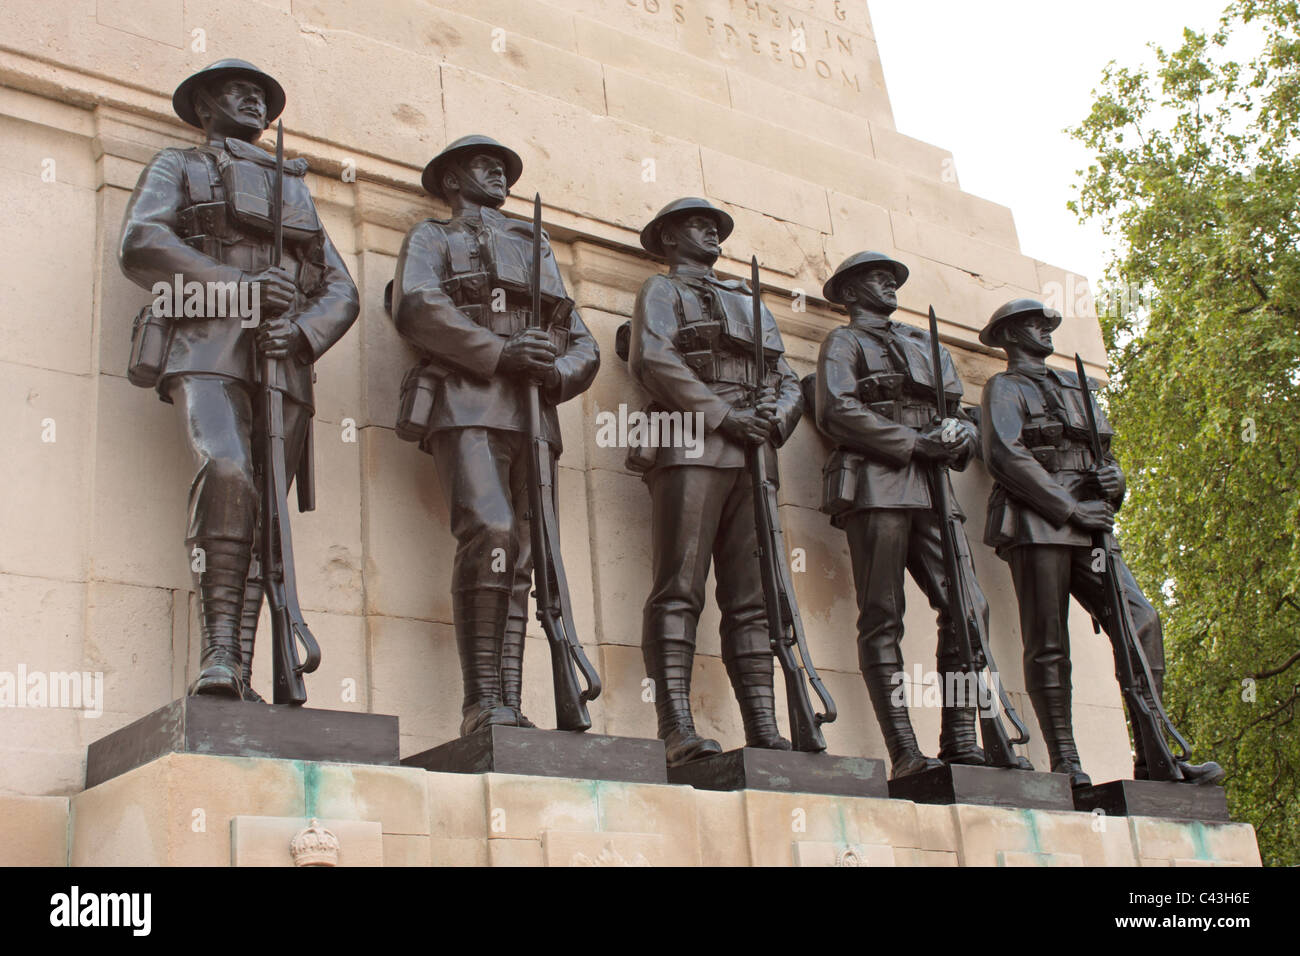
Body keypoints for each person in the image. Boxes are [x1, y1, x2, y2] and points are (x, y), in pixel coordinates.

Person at [118, 59, 359, 700]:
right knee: (226, 473)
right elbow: (141, 242)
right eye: (237, 91)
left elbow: (341, 287)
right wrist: (243, 290)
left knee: (266, 515)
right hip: (206, 344)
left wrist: (305, 332)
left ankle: (240, 671)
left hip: (283, 364)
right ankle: (219, 651)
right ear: (203, 107)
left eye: (262, 95)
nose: (253, 100)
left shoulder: (294, 188)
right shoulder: (179, 165)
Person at [390, 135, 599, 734]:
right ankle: (482, 700)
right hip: (466, 401)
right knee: (492, 531)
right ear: (451, 181)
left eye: (503, 168)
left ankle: (508, 702)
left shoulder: (537, 250)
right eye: (483, 166)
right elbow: (417, 306)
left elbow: (581, 338)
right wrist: (501, 352)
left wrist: (556, 370)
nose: (497, 173)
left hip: (535, 413)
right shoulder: (434, 237)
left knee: (528, 554)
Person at [979, 298, 1224, 787]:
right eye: (1030, 324)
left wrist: (1118, 484)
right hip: (1039, 522)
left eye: (1046, 324)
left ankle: (1155, 754)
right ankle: (1067, 761)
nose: (1043, 331)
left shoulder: (1076, 388)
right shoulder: (1004, 388)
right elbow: (1005, 455)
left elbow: (1102, 455)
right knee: (1049, 644)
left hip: (1094, 526)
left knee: (1142, 621)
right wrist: (1068, 508)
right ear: (1008, 336)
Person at [628, 197, 803, 767]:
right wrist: (724, 416)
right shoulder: (662, 292)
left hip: (754, 451)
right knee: (679, 586)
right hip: (691, 443)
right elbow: (654, 360)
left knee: (754, 601)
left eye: (714, 226)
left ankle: (765, 728)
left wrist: (775, 418)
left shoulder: (747, 302)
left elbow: (784, 375)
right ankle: (675, 725)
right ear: (670, 239)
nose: (711, 232)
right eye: (698, 225)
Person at [813, 251, 1000, 779]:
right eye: (875, 278)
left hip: (934, 486)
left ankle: (961, 735)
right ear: (849, 294)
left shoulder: (926, 345)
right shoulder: (844, 342)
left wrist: (960, 436)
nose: (888, 284)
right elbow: (836, 409)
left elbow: (958, 414)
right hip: (877, 483)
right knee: (882, 617)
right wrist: (915, 443)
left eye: (891, 278)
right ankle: (904, 750)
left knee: (969, 608)